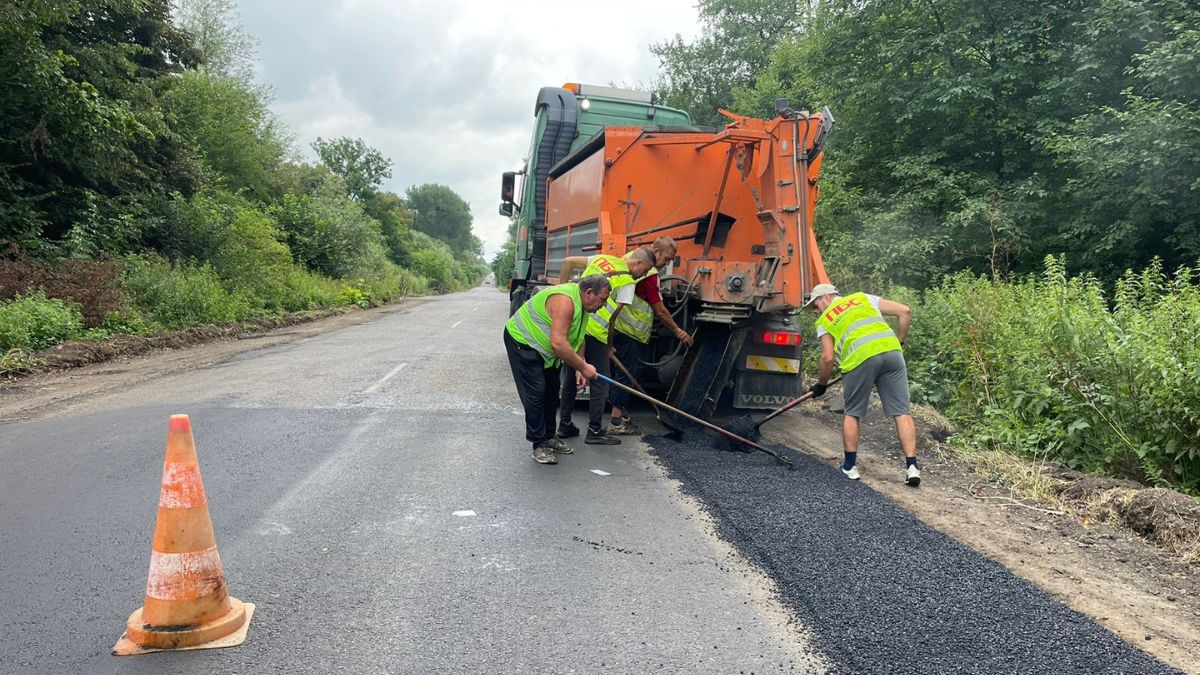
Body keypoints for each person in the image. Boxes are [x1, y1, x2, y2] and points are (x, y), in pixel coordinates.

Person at [803, 283, 920, 486]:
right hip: (892, 352)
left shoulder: (825, 318)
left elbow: (828, 358)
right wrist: (900, 343)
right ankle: (912, 467)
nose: (816, 311)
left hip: (859, 360)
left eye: (815, 306)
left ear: (824, 298)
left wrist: (821, 385)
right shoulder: (863, 297)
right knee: (902, 411)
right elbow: (905, 311)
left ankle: (849, 467)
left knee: (852, 412)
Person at [504, 275, 611, 465]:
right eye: (602, 299)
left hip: (545, 351)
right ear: (588, 293)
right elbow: (559, 342)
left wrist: (580, 364)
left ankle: (549, 437)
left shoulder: (583, 307)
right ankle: (539, 444)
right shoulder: (565, 302)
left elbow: (578, 337)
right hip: (523, 342)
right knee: (536, 393)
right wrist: (583, 366)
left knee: (552, 391)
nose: (603, 305)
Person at [556, 248, 655, 444]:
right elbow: (613, 320)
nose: (643, 275)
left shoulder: (601, 259)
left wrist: (562, 291)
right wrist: (609, 347)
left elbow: (568, 260)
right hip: (596, 333)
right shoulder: (627, 283)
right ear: (637, 264)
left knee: (571, 376)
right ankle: (594, 431)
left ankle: (565, 424)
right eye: (645, 270)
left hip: (575, 325)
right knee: (601, 380)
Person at [603, 237, 694, 435]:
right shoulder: (650, 275)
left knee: (619, 373)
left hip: (615, 326)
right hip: (627, 331)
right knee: (625, 376)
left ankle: (621, 414)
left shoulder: (631, 257)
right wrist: (678, 331)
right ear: (656, 251)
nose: (667, 264)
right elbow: (660, 310)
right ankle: (616, 422)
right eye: (667, 259)